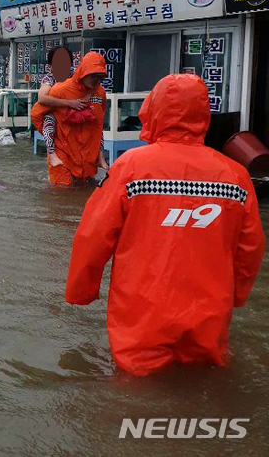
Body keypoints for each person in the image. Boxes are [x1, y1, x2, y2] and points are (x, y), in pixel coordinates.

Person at [65, 74, 266, 377]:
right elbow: (250, 249)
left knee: (132, 393)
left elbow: (93, 235)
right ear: (204, 114)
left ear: (152, 110)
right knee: (206, 385)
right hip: (209, 314)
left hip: (141, 315)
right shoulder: (236, 176)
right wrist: (234, 296)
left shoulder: (130, 168)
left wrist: (81, 290)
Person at [32, 52, 109, 186]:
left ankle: (100, 158)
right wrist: (55, 137)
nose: (97, 80)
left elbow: (99, 124)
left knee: (85, 191)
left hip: (87, 155)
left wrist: (97, 154)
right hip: (63, 152)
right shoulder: (58, 88)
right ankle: (52, 152)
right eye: (93, 76)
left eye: (100, 77)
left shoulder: (100, 92)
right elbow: (37, 113)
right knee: (61, 194)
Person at [35, 46, 87, 167]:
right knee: (48, 121)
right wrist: (69, 103)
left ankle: (99, 157)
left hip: (76, 115)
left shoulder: (76, 76)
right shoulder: (49, 78)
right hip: (56, 115)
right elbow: (42, 98)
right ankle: (52, 154)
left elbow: (91, 88)